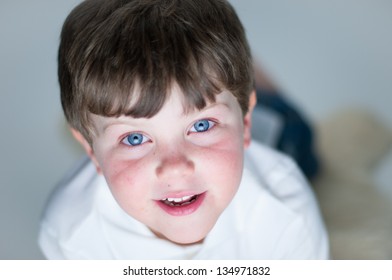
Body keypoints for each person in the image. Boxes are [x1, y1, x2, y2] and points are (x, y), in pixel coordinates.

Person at [39, 0, 329, 259]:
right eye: (135, 138)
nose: (175, 168)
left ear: (245, 124)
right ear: (90, 148)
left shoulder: (286, 210)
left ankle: (253, 79)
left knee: (301, 144)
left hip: (276, 137)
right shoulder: (69, 234)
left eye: (201, 125)